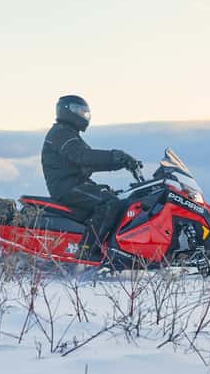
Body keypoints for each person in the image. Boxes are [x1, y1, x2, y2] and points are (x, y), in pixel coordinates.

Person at [41, 95, 141, 261]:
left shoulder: (69, 135)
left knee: (119, 197)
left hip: (77, 184)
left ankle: (114, 248)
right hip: (67, 187)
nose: (84, 115)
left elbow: (90, 163)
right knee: (109, 203)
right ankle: (87, 252)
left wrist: (122, 162)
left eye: (86, 112)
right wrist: (116, 156)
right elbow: (83, 156)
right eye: (80, 111)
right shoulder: (61, 133)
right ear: (68, 110)